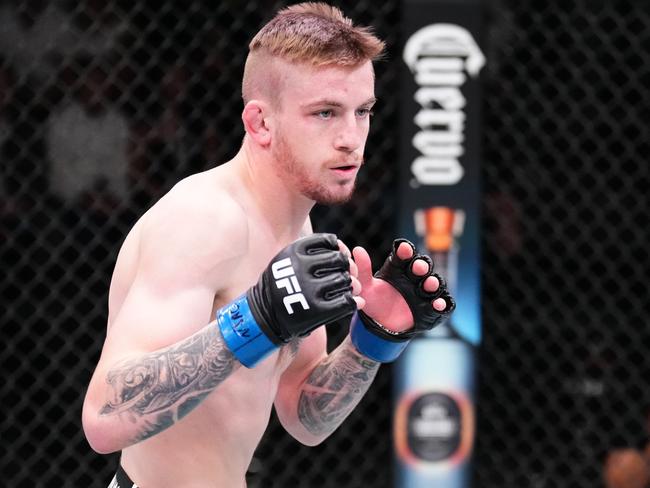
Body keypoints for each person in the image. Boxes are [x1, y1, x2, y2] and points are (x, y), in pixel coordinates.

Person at [82, 4, 455, 487]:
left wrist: (371, 342)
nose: (351, 138)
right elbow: (104, 420)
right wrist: (254, 321)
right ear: (260, 123)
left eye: (362, 111)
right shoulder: (205, 220)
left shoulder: (300, 234)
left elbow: (304, 416)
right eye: (325, 112)